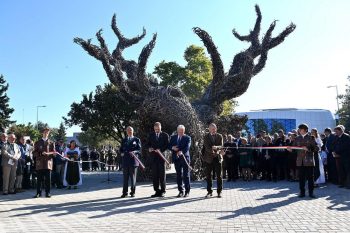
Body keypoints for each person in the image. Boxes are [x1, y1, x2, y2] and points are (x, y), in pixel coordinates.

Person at [289, 124, 318, 198]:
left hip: (309, 161)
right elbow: (294, 149)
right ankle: (302, 192)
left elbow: (317, 148)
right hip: (300, 161)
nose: (299, 130)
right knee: (301, 178)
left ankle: (311, 193)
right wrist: (290, 149)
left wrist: (308, 149)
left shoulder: (311, 138)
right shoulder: (297, 138)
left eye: (300, 129)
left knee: (310, 178)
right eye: (299, 129)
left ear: (305, 130)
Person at [147, 122, 169, 198]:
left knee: (162, 175)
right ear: (154, 128)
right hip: (153, 158)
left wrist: (161, 150)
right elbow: (148, 144)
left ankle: (163, 191)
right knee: (155, 175)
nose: (157, 130)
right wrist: (149, 148)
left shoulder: (165, 135)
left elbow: (167, 145)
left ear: (161, 127)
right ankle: (157, 191)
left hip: (161, 157)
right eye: (156, 129)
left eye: (158, 129)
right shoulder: (151, 135)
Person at [33, 127, 56, 198]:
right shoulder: (37, 142)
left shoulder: (51, 143)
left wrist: (52, 154)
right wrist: (40, 153)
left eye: (47, 132)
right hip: (40, 163)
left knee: (48, 179)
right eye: (45, 132)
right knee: (39, 179)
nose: (46, 133)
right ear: (42, 133)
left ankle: (48, 193)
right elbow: (34, 152)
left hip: (48, 163)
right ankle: (38, 193)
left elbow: (54, 152)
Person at [169, 125, 191, 198]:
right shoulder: (173, 137)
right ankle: (180, 191)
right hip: (176, 159)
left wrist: (182, 151)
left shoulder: (187, 138)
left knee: (186, 175)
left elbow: (187, 147)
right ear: (177, 131)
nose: (181, 132)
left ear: (184, 131)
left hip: (185, 158)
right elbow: (169, 145)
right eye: (179, 131)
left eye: (182, 131)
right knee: (178, 175)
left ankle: (187, 191)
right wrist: (172, 147)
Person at [203, 123, 224, 198]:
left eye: (215, 129)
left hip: (218, 158)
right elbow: (207, 147)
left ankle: (219, 191)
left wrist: (216, 148)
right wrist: (213, 151)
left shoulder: (220, 136)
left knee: (219, 176)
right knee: (209, 176)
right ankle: (209, 192)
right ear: (209, 129)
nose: (214, 130)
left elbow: (221, 146)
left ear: (216, 129)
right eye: (212, 129)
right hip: (208, 158)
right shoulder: (206, 137)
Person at [120, 126, 142, 198]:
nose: (129, 132)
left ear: (133, 131)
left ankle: (132, 192)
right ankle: (125, 193)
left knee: (133, 178)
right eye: (128, 131)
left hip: (133, 161)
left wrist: (134, 152)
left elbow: (139, 150)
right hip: (125, 161)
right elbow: (121, 149)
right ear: (126, 131)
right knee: (125, 178)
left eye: (131, 131)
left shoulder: (137, 139)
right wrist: (121, 153)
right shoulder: (124, 140)